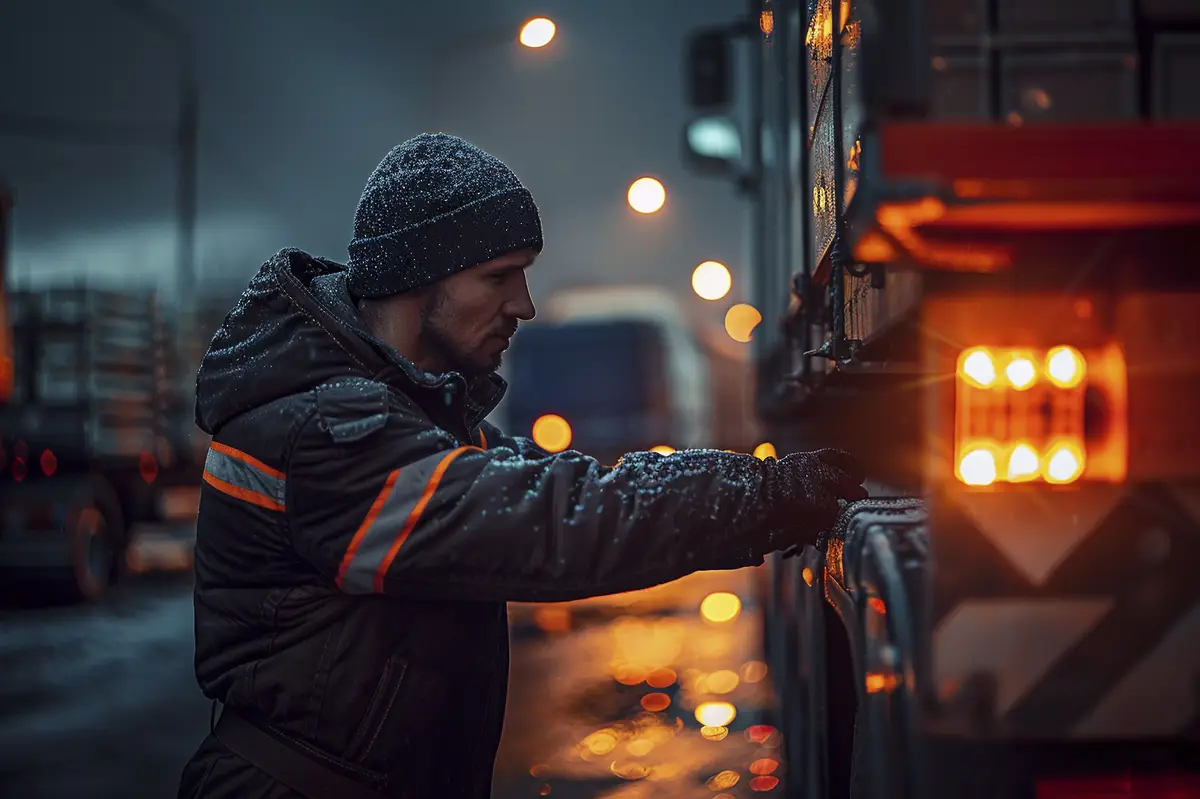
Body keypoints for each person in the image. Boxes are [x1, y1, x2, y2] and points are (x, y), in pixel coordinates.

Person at [178, 133, 867, 799]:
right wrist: (765, 491)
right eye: (498, 277)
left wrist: (759, 488)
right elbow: (552, 520)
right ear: (419, 277)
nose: (524, 306)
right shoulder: (328, 431)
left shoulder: (407, 421)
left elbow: (559, 483)